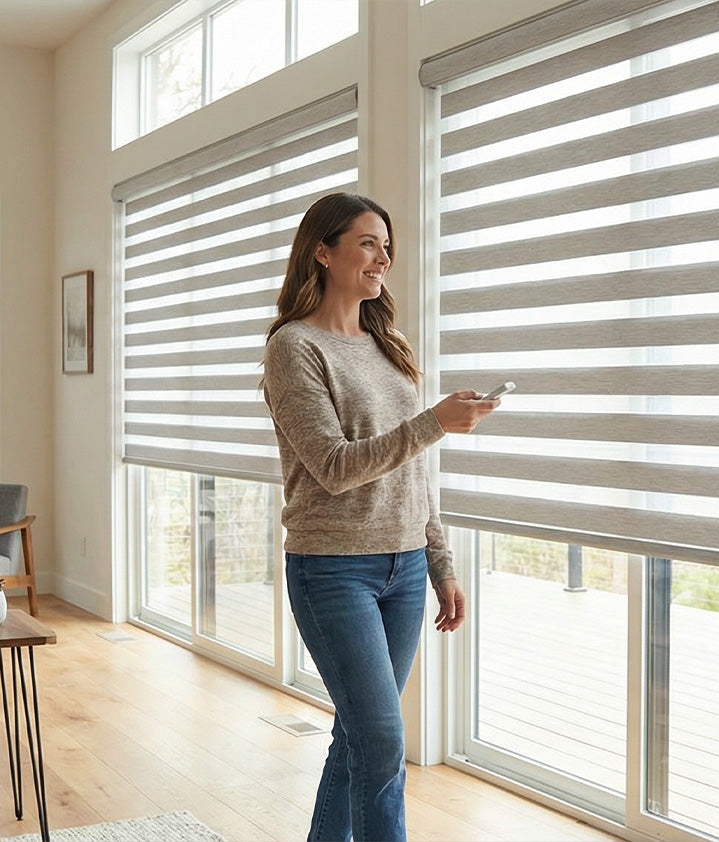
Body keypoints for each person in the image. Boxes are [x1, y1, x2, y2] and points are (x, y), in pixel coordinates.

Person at [261, 192, 497, 842]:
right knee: (382, 740)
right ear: (323, 251)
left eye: (385, 245)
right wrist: (433, 423)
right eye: (368, 243)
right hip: (333, 571)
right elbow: (334, 466)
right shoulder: (294, 347)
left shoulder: (385, 346)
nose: (383, 257)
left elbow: (413, 471)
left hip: (403, 570)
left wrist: (440, 562)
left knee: (360, 739)